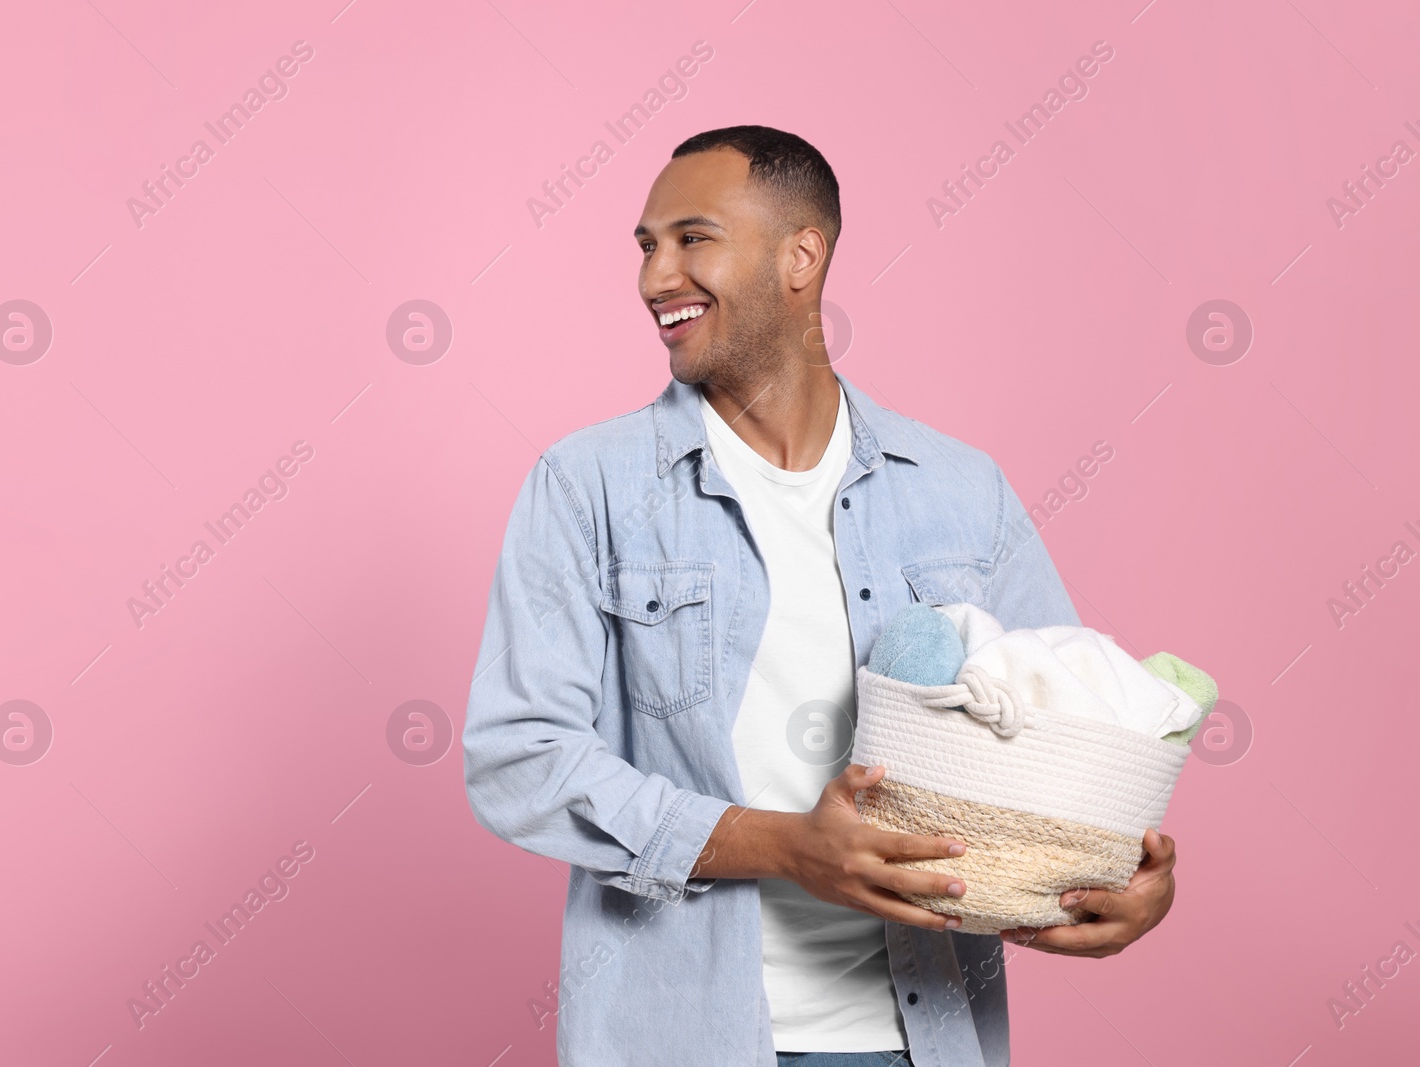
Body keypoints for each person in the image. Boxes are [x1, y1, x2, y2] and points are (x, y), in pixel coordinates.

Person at [462, 125, 1177, 1067]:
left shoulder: (961, 490)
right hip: (685, 1040)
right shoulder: (586, 485)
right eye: (646, 246)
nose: (654, 279)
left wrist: (1128, 876)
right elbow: (520, 757)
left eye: (691, 238)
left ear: (803, 256)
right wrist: (782, 845)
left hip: (926, 1041)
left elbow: (1069, 718)